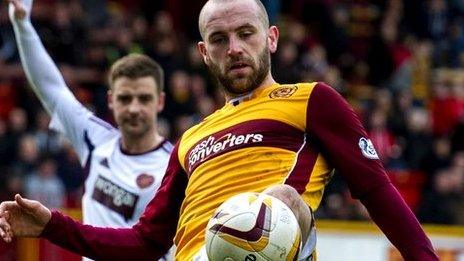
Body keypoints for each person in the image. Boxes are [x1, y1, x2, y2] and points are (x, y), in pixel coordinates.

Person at [0, 0, 438, 260]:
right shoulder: (191, 139)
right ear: (203, 53)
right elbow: (143, 243)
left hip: (276, 247)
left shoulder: (312, 99)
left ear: (272, 38)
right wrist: (52, 225)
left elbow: (376, 190)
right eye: (219, 39)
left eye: (246, 34)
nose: (235, 49)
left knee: (282, 202)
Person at [2, 0, 174, 260]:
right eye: (125, 98)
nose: (134, 108)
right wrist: (22, 23)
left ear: (160, 101)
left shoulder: (174, 165)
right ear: (110, 100)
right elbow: (51, 88)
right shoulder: (93, 138)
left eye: (144, 98)